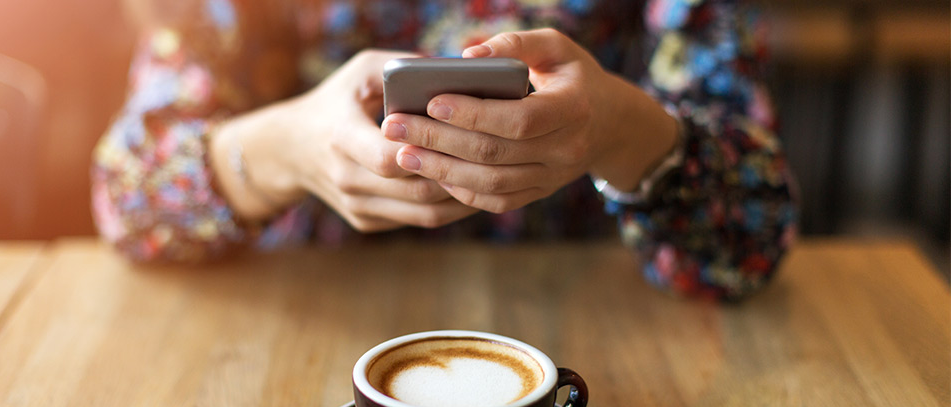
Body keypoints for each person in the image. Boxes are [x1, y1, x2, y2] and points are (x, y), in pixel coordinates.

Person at [92, 0, 798, 301]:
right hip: (300, 326)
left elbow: (750, 235)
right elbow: (128, 197)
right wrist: (285, 147)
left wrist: (617, 126)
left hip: (582, 333)